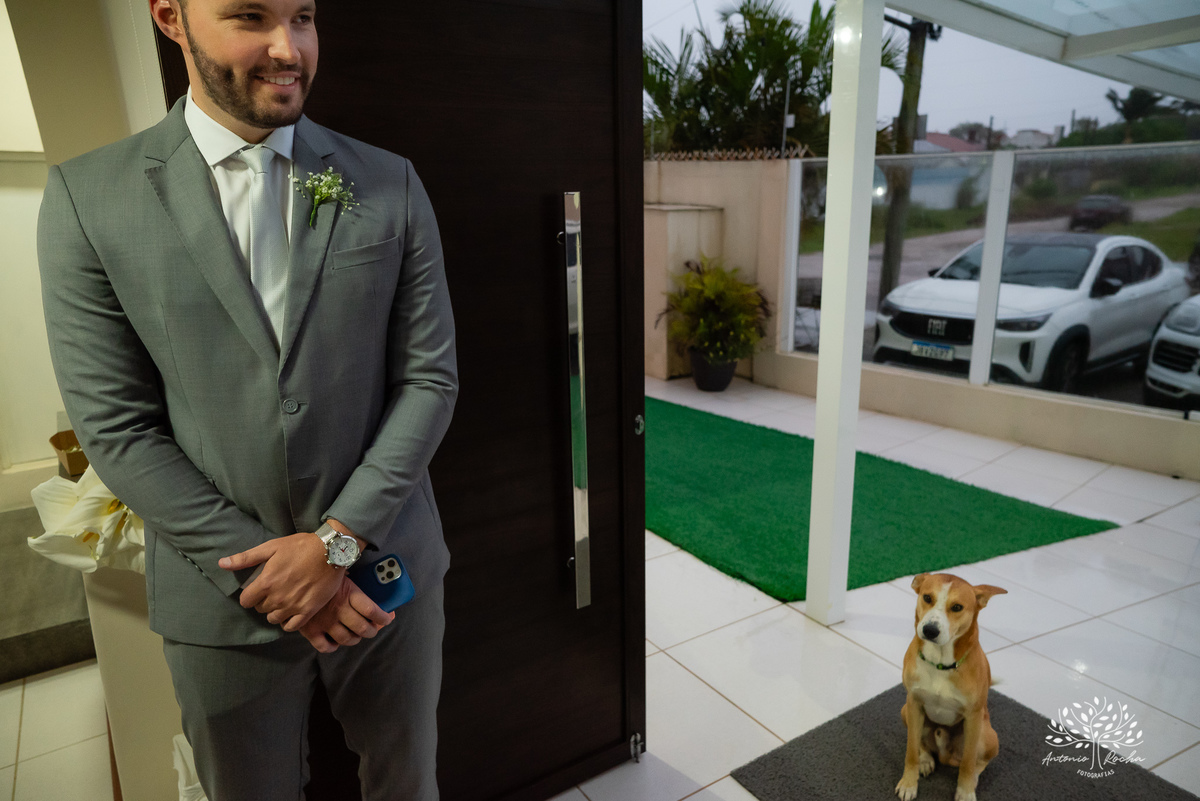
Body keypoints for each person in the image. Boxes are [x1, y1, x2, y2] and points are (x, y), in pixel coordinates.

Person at [37, 0, 457, 798]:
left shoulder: (388, 180)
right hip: (221, 594)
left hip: (385, 563)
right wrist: (269, 574)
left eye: (303, 17)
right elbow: (117, 428)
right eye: (249, 17)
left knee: (407, 782)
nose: (287, 48)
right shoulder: (89, 199)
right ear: (171, 17)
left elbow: (430, 379)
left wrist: (334, 547)